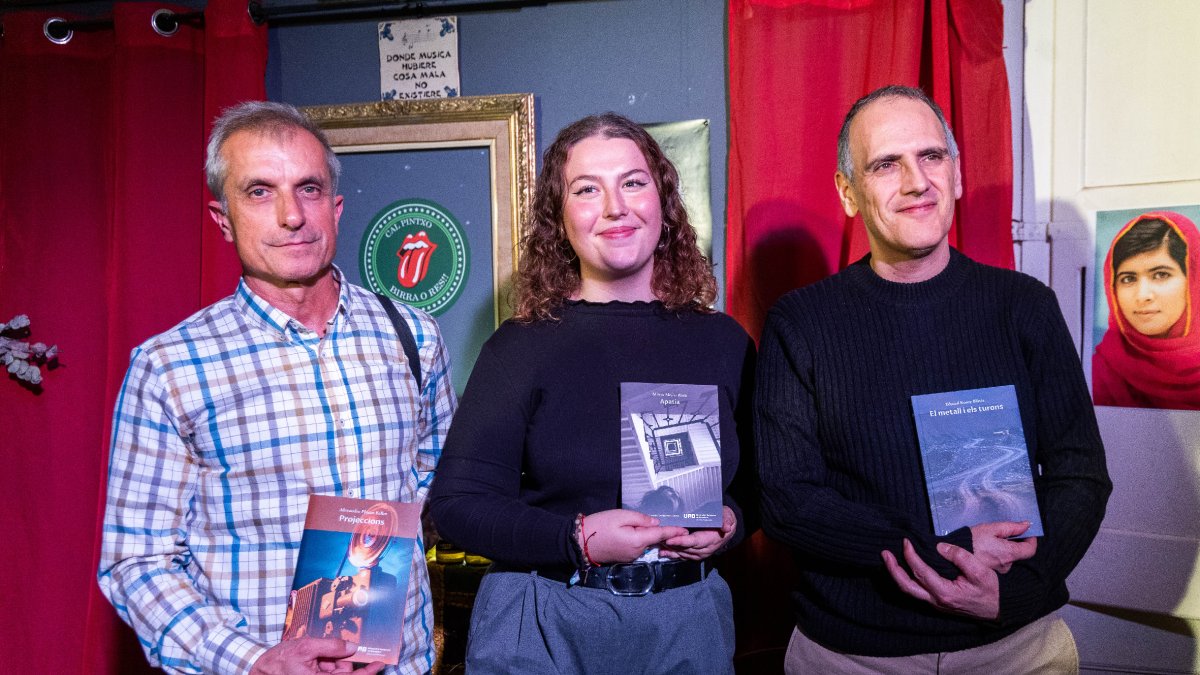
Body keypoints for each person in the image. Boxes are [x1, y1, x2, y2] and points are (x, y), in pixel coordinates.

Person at [755, 85, 1111, 673]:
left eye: (931, 156)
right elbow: (789, 503)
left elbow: (1080, 474)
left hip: (1014, 647)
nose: (916, 181)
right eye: (885, 164)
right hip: (853, 656)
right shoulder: (801, 323)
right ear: (848, 193)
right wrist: (938, 551)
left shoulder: (1024, 306)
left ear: (957, 174)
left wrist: (1017, 592)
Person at [97, 101, 456, 675]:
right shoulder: (170, 366)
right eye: (260, 191)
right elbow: (136, 562)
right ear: (223, 218)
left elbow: (438, 493)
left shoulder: (412, 336)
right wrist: (253, 660)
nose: (292, 215)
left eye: (309, 189)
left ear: (336, 209)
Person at [428, 112, 755, 674]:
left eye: (633, 182)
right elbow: (457, 509)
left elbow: (763, 486)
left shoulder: (723, 342)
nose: (615, 207)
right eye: (586, 190)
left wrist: (732, 520)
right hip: (543, 621)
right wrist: (574, 538)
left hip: (686, 621)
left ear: (664, 202)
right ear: (560, 218)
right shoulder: (520, 346)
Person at [1092, 210, 1200, 409]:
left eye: (1161, 275)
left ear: (1193, 280)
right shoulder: (1098, 372)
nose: (1143, 296)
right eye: (1128, 279)